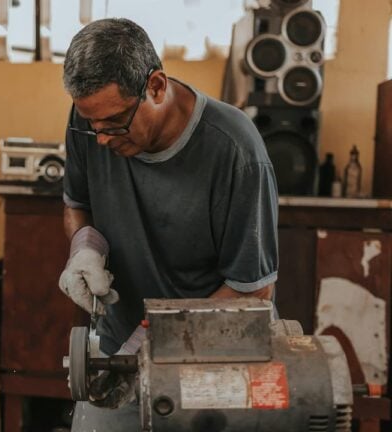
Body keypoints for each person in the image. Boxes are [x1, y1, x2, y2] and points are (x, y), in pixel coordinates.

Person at [58, 18, 279, 431]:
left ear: (156, 86)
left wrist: (158, 340)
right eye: (93, 127)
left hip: (211, 362)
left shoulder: (236, 151)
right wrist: (83, 248)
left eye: (114, 124)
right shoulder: (91, 119)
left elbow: (253, 291)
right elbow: (77, 203)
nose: (102, 140)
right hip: (118, 351)